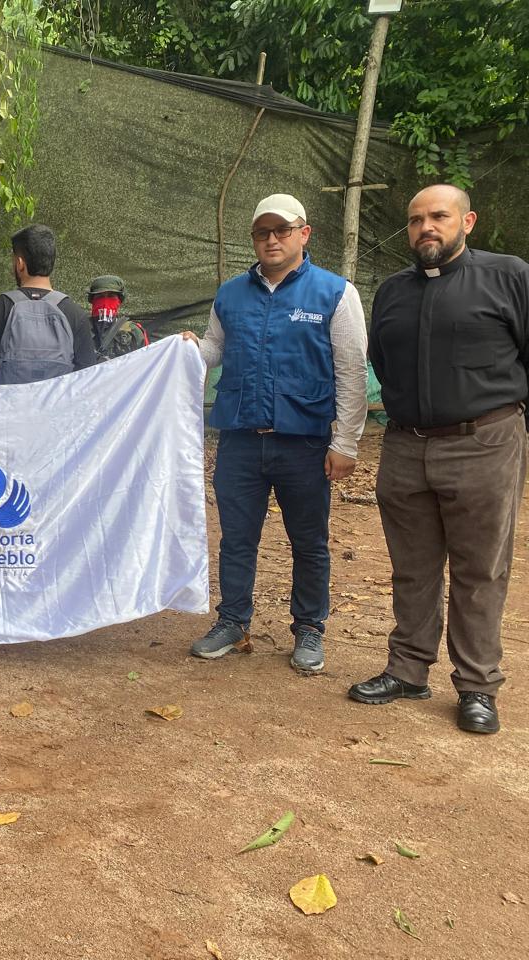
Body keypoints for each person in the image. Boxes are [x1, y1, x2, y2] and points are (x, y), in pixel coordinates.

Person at [349, 184, 529, 735]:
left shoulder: (508, 276)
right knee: (413, 566)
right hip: (405, 446)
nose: (426, 227)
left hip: (484, 443)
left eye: (439, 217)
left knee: (479, 569)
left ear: (467, 221)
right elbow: (381, 359)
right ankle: (407, 670)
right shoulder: (393, 290)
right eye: (416, 219)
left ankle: (476, 685)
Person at [182, 193, 367, 673]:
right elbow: (215, 350)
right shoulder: (230, 295)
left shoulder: (335, 293)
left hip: (303, 443)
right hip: (241, 440)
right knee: (237, 537)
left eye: (281, 230)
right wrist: (188, 349)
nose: (271, 239)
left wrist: (345, 442)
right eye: (262, 232)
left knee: (309, 541)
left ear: (303, 234)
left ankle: (309, 628)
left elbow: (350, 370)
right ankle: (232, 620)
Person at [0, 224, 95, 384]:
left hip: (6, 408)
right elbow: (87, 380)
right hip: (55, 408)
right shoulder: (75, 314)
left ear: (20, 263)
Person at [86, 274, 148, 362]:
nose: (105, 301)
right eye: (100, 296)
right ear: (92, 300)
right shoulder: (80, 328)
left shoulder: (133, 331)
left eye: (111, 296)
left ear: (119, 300)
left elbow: (145, 362)